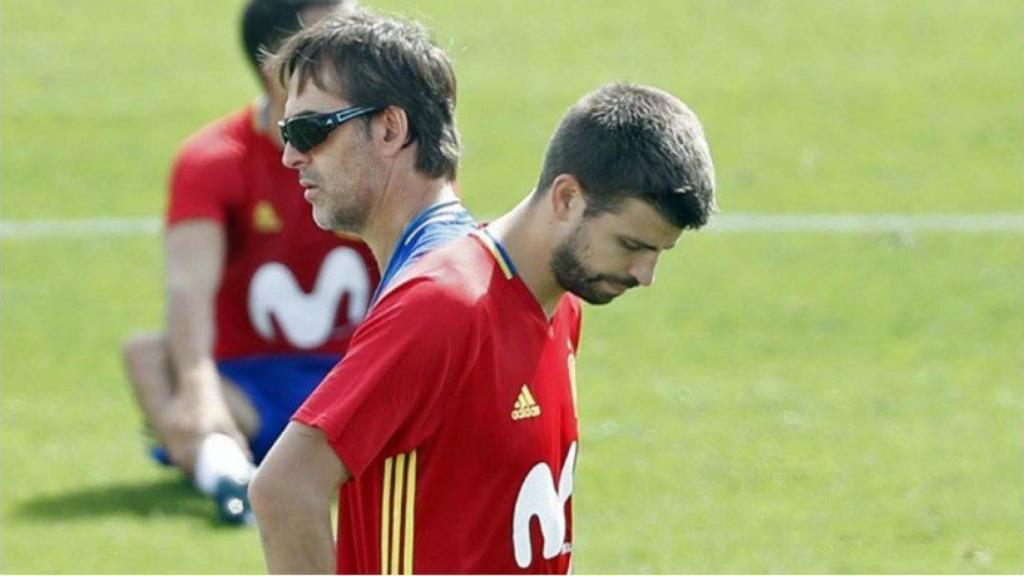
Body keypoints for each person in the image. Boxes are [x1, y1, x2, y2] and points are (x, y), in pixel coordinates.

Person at [249, 10, 717, 571]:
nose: (291, 154)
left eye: (309, 131)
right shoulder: (443, 303)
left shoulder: (548, 303)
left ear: (391, 129)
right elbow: (284, 488)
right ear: (566, 198)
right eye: (290, 131)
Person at [119, 0, 381, 525]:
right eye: (339, 42)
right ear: (279, 64)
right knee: (149, 356)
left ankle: (238, 473)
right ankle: (231, 475)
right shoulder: (214, 158)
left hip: (359, 376)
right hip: (250, 387)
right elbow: (188, 285)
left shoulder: (382, 143)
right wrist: (199, 396)